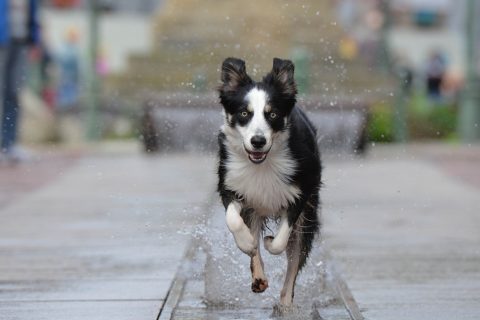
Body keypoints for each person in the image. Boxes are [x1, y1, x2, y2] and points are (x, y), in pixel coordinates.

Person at [0, 0, 40, 163]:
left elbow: (33, 13)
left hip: (21, 41)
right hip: (2, 41)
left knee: (14, 92)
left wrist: (35, 39)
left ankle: (9, 144)